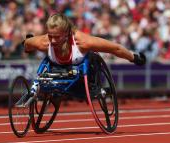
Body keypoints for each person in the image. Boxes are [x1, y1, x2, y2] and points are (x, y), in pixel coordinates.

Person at [18, 13, 146, 106]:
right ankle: (55, 94)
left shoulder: (82, 41)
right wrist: (27, 46)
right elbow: (27, 43)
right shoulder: (44, 42)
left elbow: (115, 48)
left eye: (57, 37)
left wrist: (133, 57)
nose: (53, 40)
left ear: (67, 33)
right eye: (50, 36)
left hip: (82, 75)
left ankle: (94, 89)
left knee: (92, 60)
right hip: (56, 73)